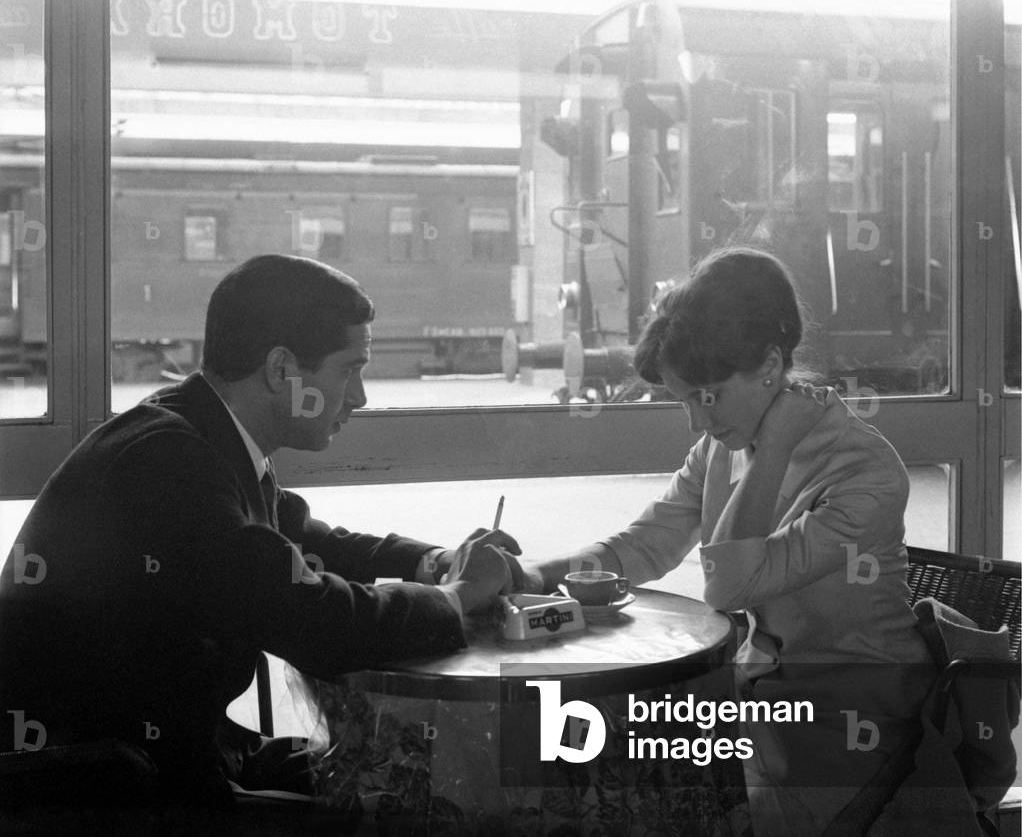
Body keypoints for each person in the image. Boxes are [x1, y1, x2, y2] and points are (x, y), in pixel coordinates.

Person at [0, 254, 518, 810]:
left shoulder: (195, 429)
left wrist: (434, 562)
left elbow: (307, 544)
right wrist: (458, 597)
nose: (360, 396)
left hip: (159, 754)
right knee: (398, 809)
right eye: (349, 370)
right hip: (98, 789)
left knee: (381, 779)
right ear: (280, 370)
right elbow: (314, 620)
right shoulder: (169, 462)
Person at [524, 247, 942, 836]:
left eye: (708, 396)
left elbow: (729, 586)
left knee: (659, 808)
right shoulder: (720, 448)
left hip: (852, 723)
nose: (697, 422)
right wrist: (531, 576)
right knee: (578, 767)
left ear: (770, 364)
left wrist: (773, 450)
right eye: (684, 400)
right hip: (754, 704)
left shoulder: (865, 472)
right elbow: (644, 545)